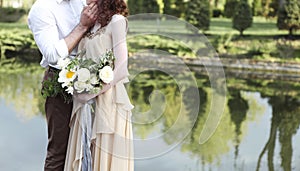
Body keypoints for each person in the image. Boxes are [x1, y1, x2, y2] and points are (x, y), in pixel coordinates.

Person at [27, 0, 99, 170]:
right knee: (60, 150)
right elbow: (52, 54)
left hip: (93, 81)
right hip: (60, 83)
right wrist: (82, 26)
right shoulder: (42, 8)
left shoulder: (81, 2)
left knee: (91, 147)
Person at [64, 0, 134, 170]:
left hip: (109, 103)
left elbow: (122, 68)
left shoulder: (116, 21)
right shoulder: (89, 24)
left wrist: (92, 93)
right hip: (83, 103)